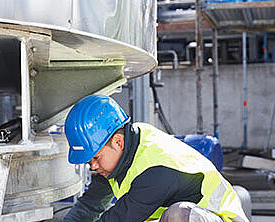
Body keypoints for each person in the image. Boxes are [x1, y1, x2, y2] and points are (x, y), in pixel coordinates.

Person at [63, 95, 248, 222]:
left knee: (179, 215)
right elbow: (89, 206)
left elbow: (120, 218)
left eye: (96, 157)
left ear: (118, 142)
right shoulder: (122, 155)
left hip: (221, 218)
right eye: (88, 161)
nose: (93, 166)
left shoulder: (155, 168)